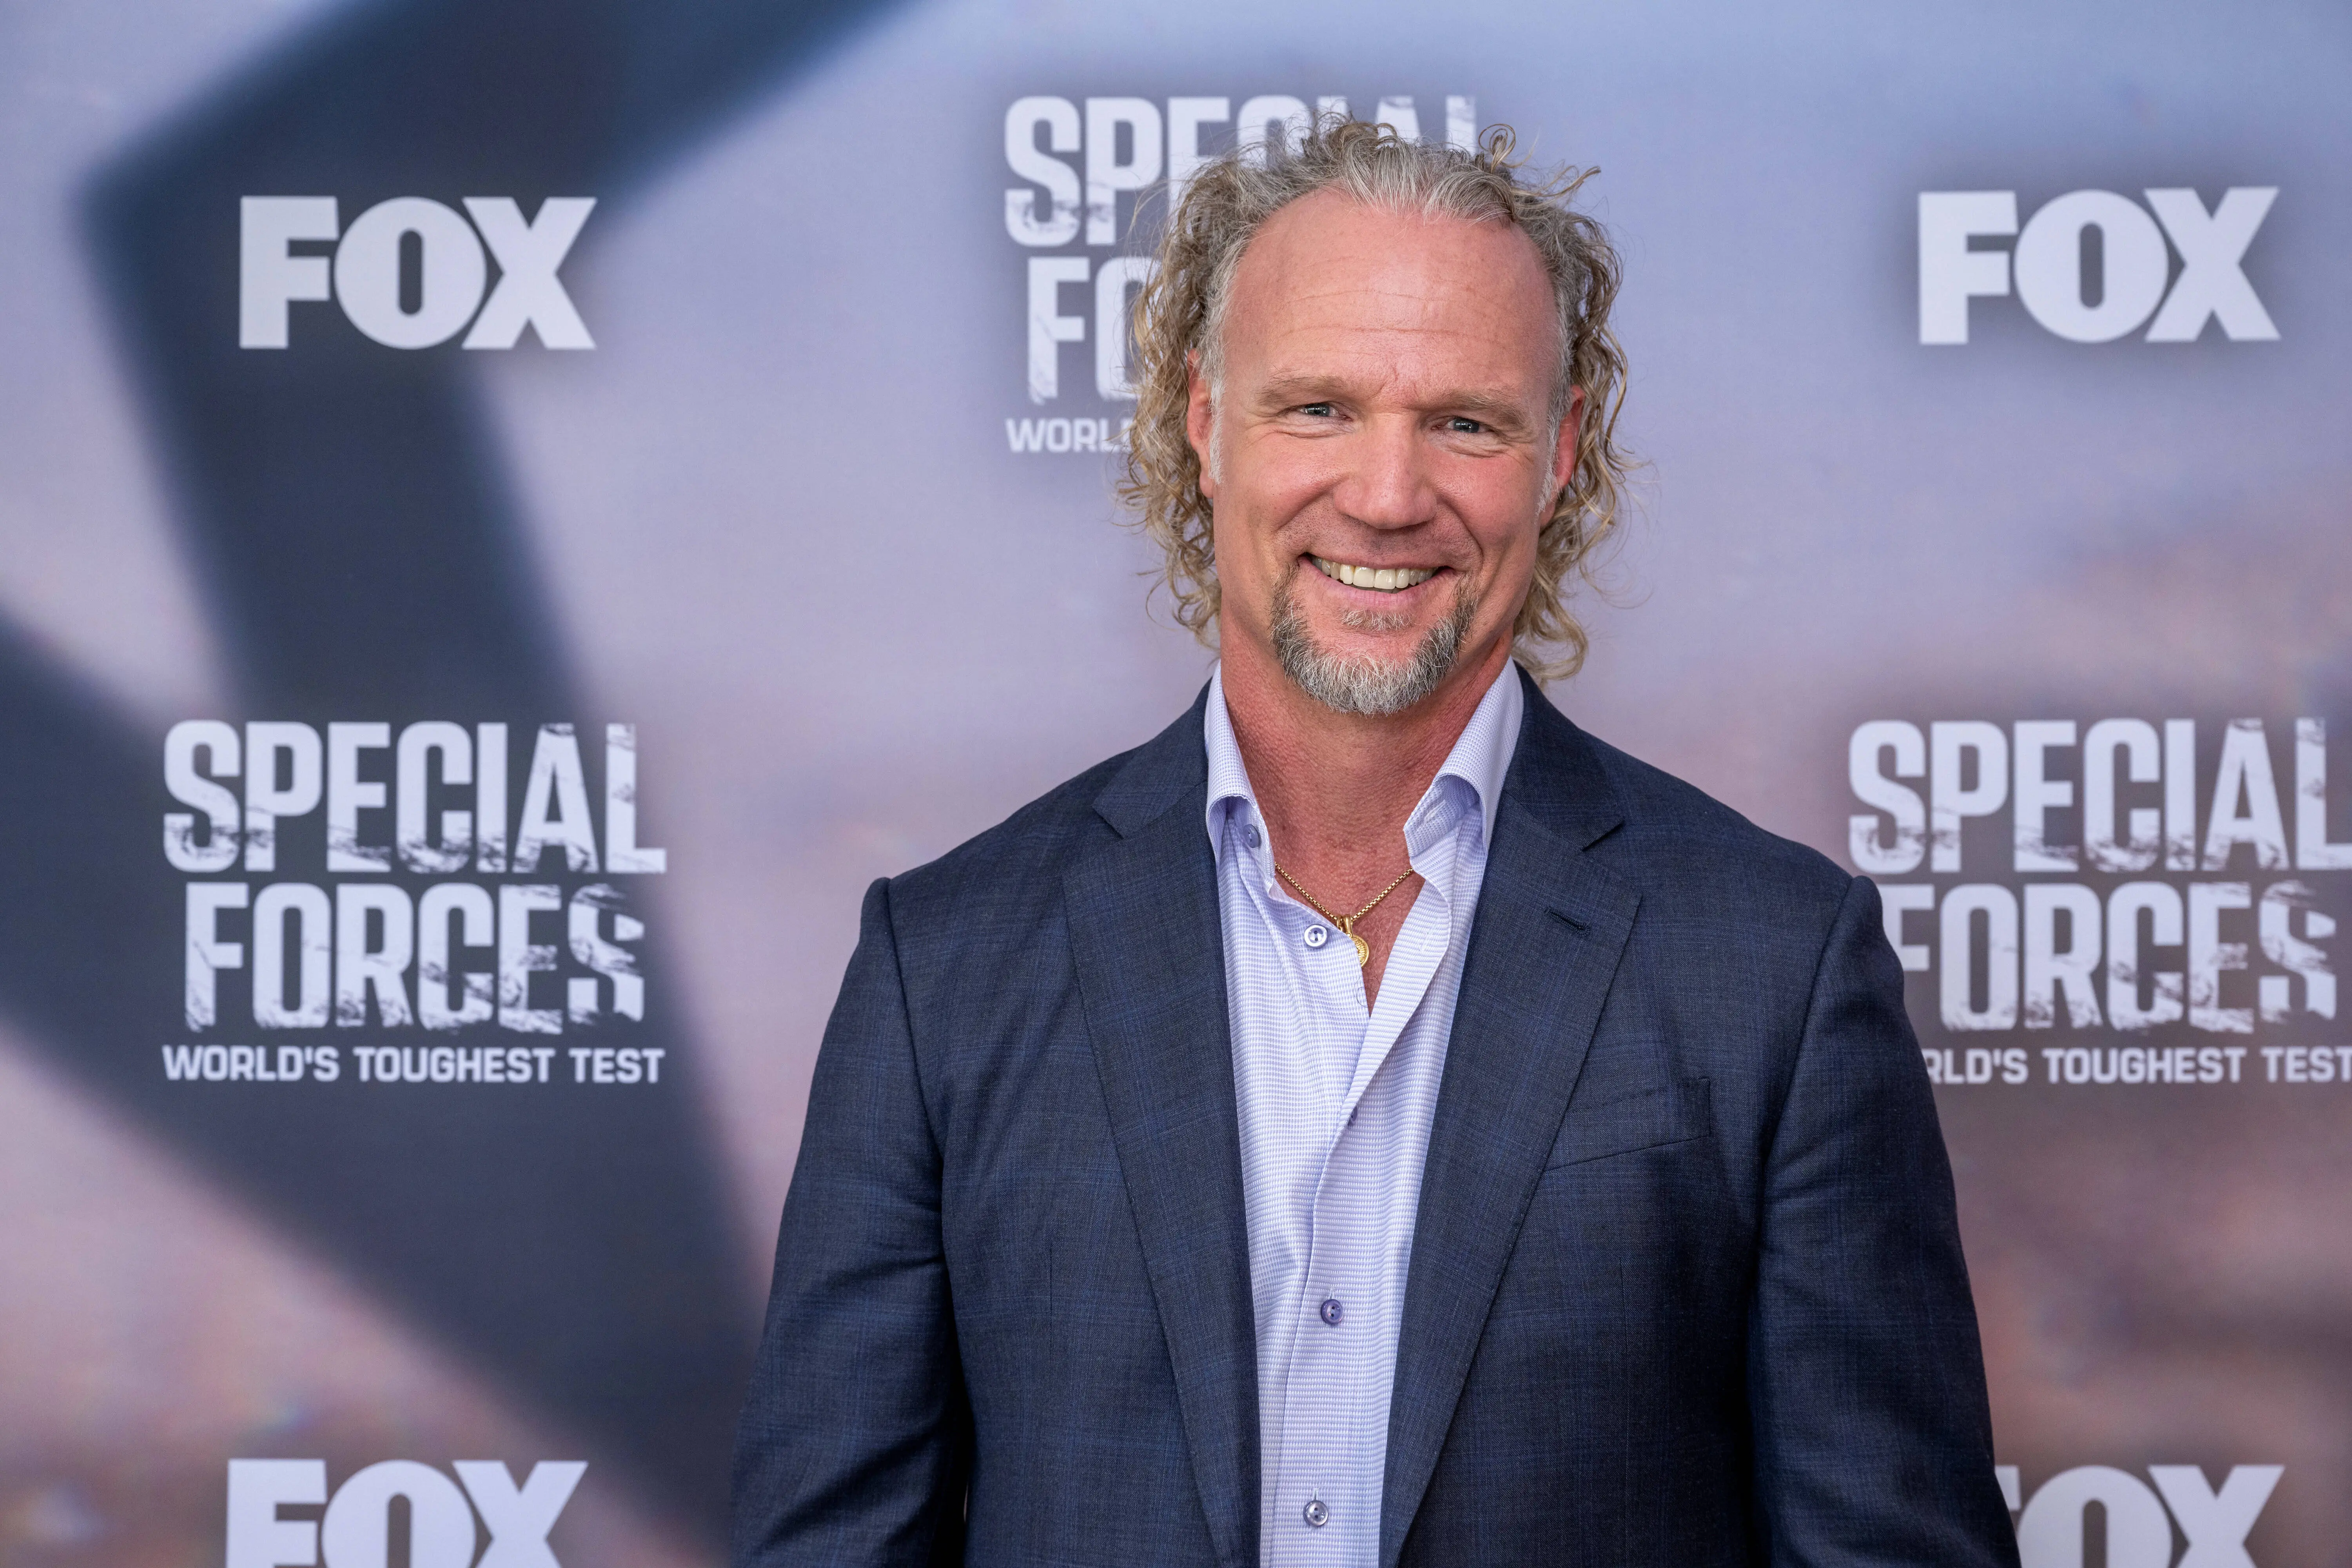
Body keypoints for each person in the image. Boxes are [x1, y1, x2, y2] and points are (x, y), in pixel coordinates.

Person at [732, 119, 2018, 1568]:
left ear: (1560, 453)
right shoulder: (947, 965)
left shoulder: (1773, 968)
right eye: (1320, 409)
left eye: (1467, 421)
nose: (1391, 495)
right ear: (1205, 424)